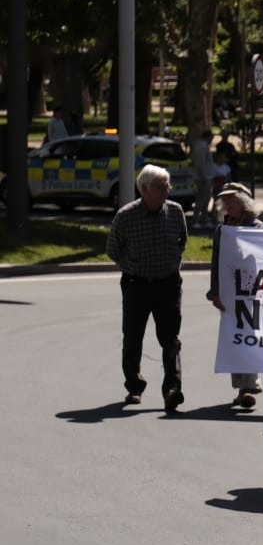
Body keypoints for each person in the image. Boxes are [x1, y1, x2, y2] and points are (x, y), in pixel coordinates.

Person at [106, 165, 188, 411]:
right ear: (145, 189)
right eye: (162, 187)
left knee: (170, 339)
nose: (168, 191)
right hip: (136, 285)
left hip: (168, 284)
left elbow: (182, 241)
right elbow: (112, 249)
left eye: (168, 186)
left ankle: (172, 389)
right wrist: (133, 267)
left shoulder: (175, 212)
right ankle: (134, 386)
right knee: (133, 337)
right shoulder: (126, 215)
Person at [206, 182, 263, 408]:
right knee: (235, 335)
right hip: (231, 291)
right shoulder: (222, 230)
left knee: (251, 333)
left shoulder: (257, 227)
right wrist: (214, 292)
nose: (227, 204)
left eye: (231, 199)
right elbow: (217, 263)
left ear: (243, 200)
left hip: (252, 292)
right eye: (224, 200)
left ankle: (250, 384)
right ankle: (243, 387)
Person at [191, 129, 216, 228]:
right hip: (203, 177)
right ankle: (196, 220)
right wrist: (204, 176)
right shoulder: (201, 147)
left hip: (206, 176)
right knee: (202, 198)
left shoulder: (203, 146)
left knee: (206, 198)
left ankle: (204, 219)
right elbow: (200, 163)